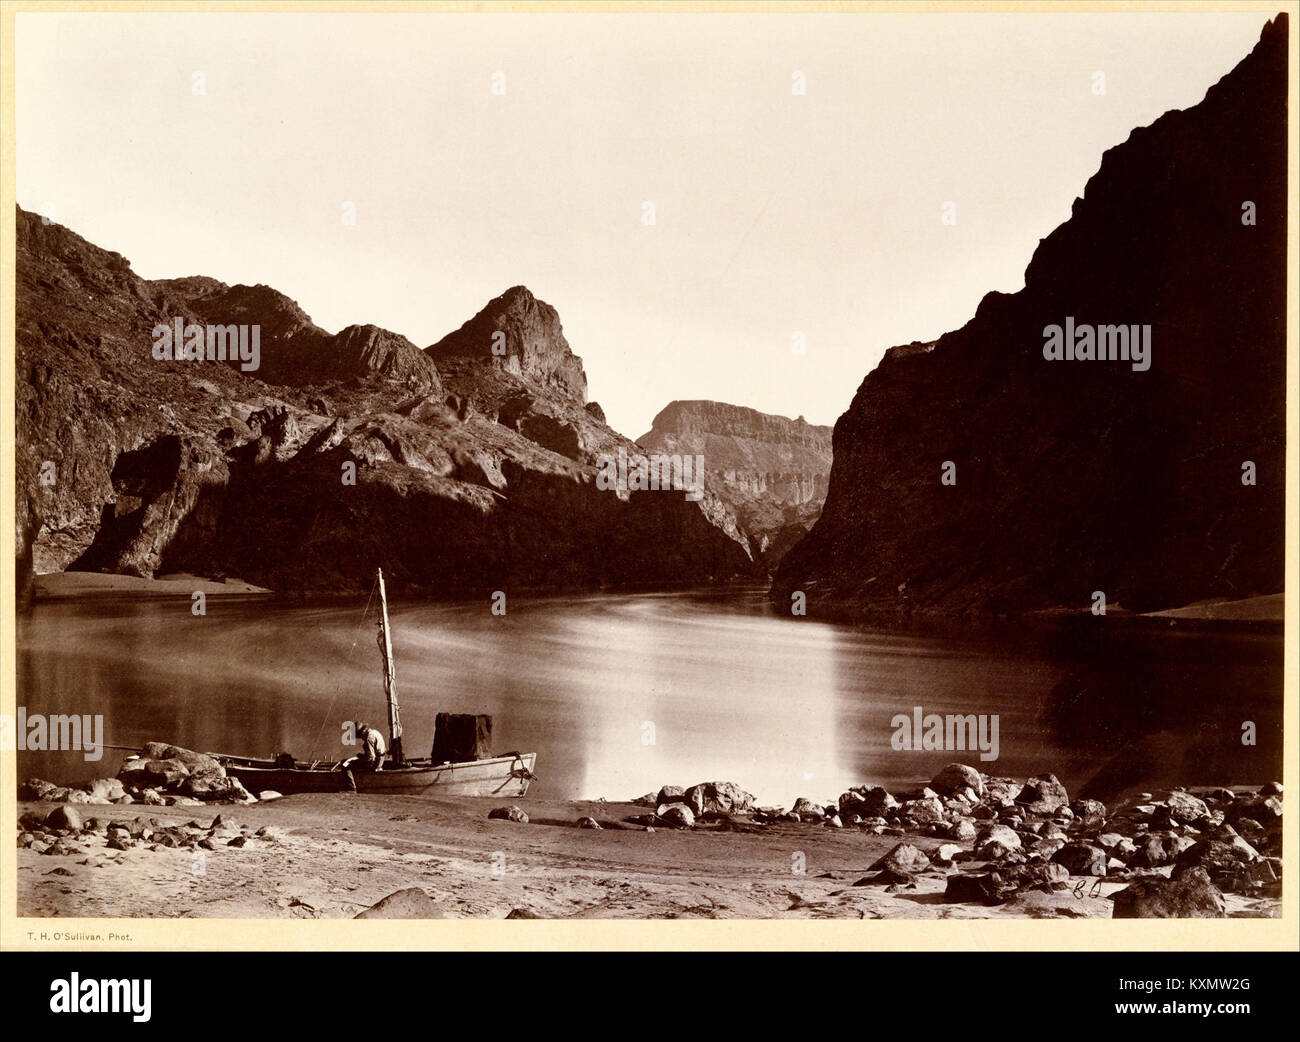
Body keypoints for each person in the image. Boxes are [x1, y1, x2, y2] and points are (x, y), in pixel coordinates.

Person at [341, 721, 385, 793]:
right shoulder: (375, 732)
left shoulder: (369, 738)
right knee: (352, 762)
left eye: (360, 735)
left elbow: (371, 758)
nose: (361, 738)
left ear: (362, 732)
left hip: (375, 763)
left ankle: (351, 788)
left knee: (345, 764)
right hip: (381, 759)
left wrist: (361, 758)